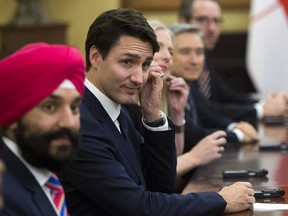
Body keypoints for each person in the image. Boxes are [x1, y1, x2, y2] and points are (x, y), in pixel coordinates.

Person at [61, 8, 255, 216]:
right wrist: (220, 200)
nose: (138, 78)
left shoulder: (117, 109)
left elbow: (161, 186)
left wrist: (153, 115)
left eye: (145, 65)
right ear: (96, 56)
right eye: (127, 62)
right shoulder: (79, 122)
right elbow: (139, 206)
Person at [124, 19, 227, 181]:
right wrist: (194, 157)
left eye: (171, 52)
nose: (167, 57)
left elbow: (171, 159)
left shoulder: (165, 91)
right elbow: (149, 177)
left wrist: (177, 115)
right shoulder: (126, 103)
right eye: (158, 48)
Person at [0, 42, 85, 216]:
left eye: (74, 107)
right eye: (50, 107)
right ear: (14, 117)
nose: (69, 122)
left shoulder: (43, 165)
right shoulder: (5, 195)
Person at [178, 0, 288, 122]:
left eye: (216, 21)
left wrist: (267, 101)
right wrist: (262, 109)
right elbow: (207, 110)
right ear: (184, 22)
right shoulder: (178, 61)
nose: (212, 28)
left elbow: (228, 96)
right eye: (203, 20)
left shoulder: (204, 60)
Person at [169, 23, 259, 151]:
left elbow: (209, 116)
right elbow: (195, 136)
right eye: (185, 52)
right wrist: (238, 135)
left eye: (199, 52)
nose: (194, 60)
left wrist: (234, 126)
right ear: (168, 55)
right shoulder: (165, 91)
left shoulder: (188, 85)